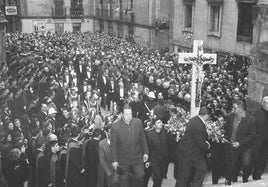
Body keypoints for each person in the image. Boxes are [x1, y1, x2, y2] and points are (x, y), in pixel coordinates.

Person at [110, 105, 149, 187]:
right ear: (121, 114)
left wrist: (146, 152)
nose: (129, 117)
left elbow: (142, 138)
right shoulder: (115, 126)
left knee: (140, 175)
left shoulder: (138, 122)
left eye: (130, 114)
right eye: (126, 114)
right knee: (124, 180)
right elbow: (113, 146)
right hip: (122, 159)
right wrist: (114, 160)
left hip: (137, 156)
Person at [176, 106, 211, 187]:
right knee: (200, 169)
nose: (208, 118)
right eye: (209, 116)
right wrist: (208, 145)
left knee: (184, 175)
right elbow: (200, 142)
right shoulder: (199, 125)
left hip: (188, 151)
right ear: (206, 115)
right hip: (190, 153)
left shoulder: (194, 119)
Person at [224, 100, 256, 185]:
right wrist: (225, 138)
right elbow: (226, 129)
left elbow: (251, 135)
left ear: (241, 109)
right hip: (232, 144)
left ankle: (245, 179)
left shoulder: (251, 120)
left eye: (234, 108)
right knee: (231, 162)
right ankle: (228, 180)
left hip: (246, 145)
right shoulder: (230, 117)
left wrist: (240, 143)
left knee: (246, 163)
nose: (233, 109)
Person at [146, 118, 168, 187]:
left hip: (163, 159)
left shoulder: (165, 132)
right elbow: (148, 148)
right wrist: (148, 160)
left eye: (161, 122)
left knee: (160, 177)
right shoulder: (149, 135)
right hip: (154, 159)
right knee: (157, 176)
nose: (160, 124)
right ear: (154, 125)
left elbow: (168, 146)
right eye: (158, 122)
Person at [250, 96, 268, 180]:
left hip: (266, 141)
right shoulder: (255, 112)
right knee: (255, 158)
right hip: (256, 140)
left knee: (263, 159)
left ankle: (257, 175)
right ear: (263, 103)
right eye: (267, 104)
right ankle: (247, 173)